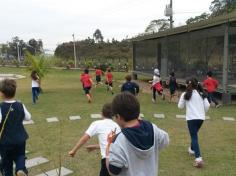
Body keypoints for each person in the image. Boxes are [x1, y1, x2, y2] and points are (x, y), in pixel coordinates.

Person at [106, 92, 169, 176]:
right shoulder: (152, 128)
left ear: (118, 116)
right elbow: (165, 140)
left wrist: (108, 150)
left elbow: (113, 171)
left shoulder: (119, 140)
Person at [68, 103, 120, 176]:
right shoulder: (117, 126)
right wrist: (95, 147)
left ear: (102, 113)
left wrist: (73, 151)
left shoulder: (97, 124)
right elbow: (111, 144)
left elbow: (85, 138)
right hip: (118, 160)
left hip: (107, 160)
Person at [0, 79, 31, 176]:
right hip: (20, 139)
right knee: (20, 155)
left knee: (7, 163)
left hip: (5, 141)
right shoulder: (20, 104)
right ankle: (20, 169)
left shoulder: (1, 107)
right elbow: (28, 117)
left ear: (2, 93)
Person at [178, 77, 210, 168]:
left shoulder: (185, 94)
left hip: (191, 118)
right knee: (194, 134)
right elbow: (207, 106)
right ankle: (192, 149)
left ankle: (198, 159)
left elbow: (180, 106)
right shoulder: (201, 94)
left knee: (194, 137)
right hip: (201, 118)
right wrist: (201, 112)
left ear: (187, 84)